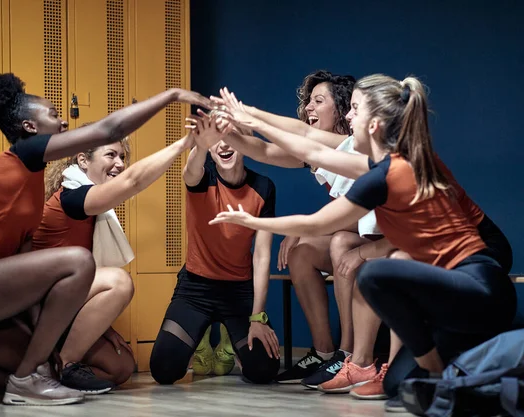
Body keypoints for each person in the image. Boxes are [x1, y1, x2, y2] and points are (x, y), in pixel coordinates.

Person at [210, 75, 516, 399]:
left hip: (480, 288)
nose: (348, 116)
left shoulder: (394, 172)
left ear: (374, 125)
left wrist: (252, 221)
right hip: (458, 295)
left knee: (377, 271)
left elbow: (315, 223)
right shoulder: (381, 167)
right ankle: (438, 375)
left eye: (355, 108)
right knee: (410, 390)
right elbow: (308, 145)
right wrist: (246, 119)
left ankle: (430, 371)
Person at [0, 72, 210, 405]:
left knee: (42, 369)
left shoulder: (29, 187)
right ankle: (28, 377)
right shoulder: (24, 153)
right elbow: (110, 131)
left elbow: (22, 260)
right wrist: (172, 95)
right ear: (30, 127)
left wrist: (44, 335)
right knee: (79, 262)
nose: (63, 122)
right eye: (52, 114)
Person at [210, 72, 392, 386]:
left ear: (342, 108)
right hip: (362, 237)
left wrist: (248, 114)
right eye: (308, 101)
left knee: (336, 243)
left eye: (318, 101)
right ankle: (323, 351)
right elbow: (265, 152)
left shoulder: (354, 147)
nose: (308, 107)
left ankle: (347, 354)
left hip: (385, 244)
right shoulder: (338, 146)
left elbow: (361, 214)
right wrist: (223, 133)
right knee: (302, 254)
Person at [33, 126, 196, 392]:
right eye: (111, 155)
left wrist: (100, 326)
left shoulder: (90, 203)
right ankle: (66, 363)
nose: (119, 164)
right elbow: (132, 182)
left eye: (122, 157)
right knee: (120, 282)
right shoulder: (71, 197)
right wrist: (183, 145)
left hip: (65, 306)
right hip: (40, 306)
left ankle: (29, 371)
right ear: (83, 161)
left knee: (120, 368)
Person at [149, 112, 280, 385]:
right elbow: (190, 170)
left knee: (264, 371)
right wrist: (199, 142)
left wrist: (258, 317)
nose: (223, 144)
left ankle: (228, 346)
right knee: (163, 370)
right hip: (196, 289)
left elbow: (262, 255)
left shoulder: (264, 187)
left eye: (231, 135)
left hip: (239, 291)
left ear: (246, 140)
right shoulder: (201, 177)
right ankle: (201, 339)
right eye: (216, 138)